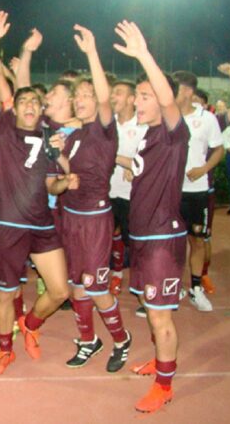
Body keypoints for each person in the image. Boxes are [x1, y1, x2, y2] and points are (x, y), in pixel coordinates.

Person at [0, 11, 69, 377]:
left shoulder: (49, 134)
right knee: (6, 294)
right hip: (9, 225)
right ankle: (5, 350)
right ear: (14, 108)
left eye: (36, 102)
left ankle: (30, 325)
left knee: (60, 291)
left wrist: (63, 169)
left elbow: (55, 177)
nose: (30, 105)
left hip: (42, 224)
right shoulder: (2, 129)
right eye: (24, 102)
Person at [113, 20, 189, 413]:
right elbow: (142, 168)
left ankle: (165, 385)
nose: (137, 102)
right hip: (142, 236)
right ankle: (160, 363)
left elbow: (169, 100)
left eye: (144, 96)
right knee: (149, 307)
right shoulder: (149, 136)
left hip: (162, 239)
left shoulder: (175, 132)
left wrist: (143, 54)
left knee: (160, 316)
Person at [48, 25, 131, 372]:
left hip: (95, 218)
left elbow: (104, 97)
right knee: (76, 288)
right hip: (71, 215)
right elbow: (71, 174)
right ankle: (88, 341)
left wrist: (91, 52)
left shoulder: (104, 129)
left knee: (96, 288)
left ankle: (122, 340)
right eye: (77, 96)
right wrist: (59, 156)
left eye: (86, 95)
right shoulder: (75, 135)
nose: (80, 100)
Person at [172, 70, 223, 312]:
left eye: (175, 88)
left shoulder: (207, 119)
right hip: (170, 191)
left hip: (196, 191)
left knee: (197, 240)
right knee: (171, 241)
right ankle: (173, 286)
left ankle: (195, 288)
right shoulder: (167, 115)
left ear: (187, 91)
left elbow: (219, 149)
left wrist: (203, 169)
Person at [200, 63, 230, 294]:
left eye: (199, 103)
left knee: (203, 238)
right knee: (174, 239)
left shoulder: (213, 122)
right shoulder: (175, 121)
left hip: (203, 190)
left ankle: (203, 275)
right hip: (176, 190)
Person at [107, 79, 147, 299]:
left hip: (132, 194)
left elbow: (144, 163)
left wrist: (124, 162)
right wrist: (126, 161)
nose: (113, 97)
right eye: (112, 93)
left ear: (132, 99)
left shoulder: (143, 126)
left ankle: (143, 287)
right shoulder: (107, 123)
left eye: (119, 93)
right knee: (108, 237)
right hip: (107, 191)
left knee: (134, 241)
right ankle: (115, 275)